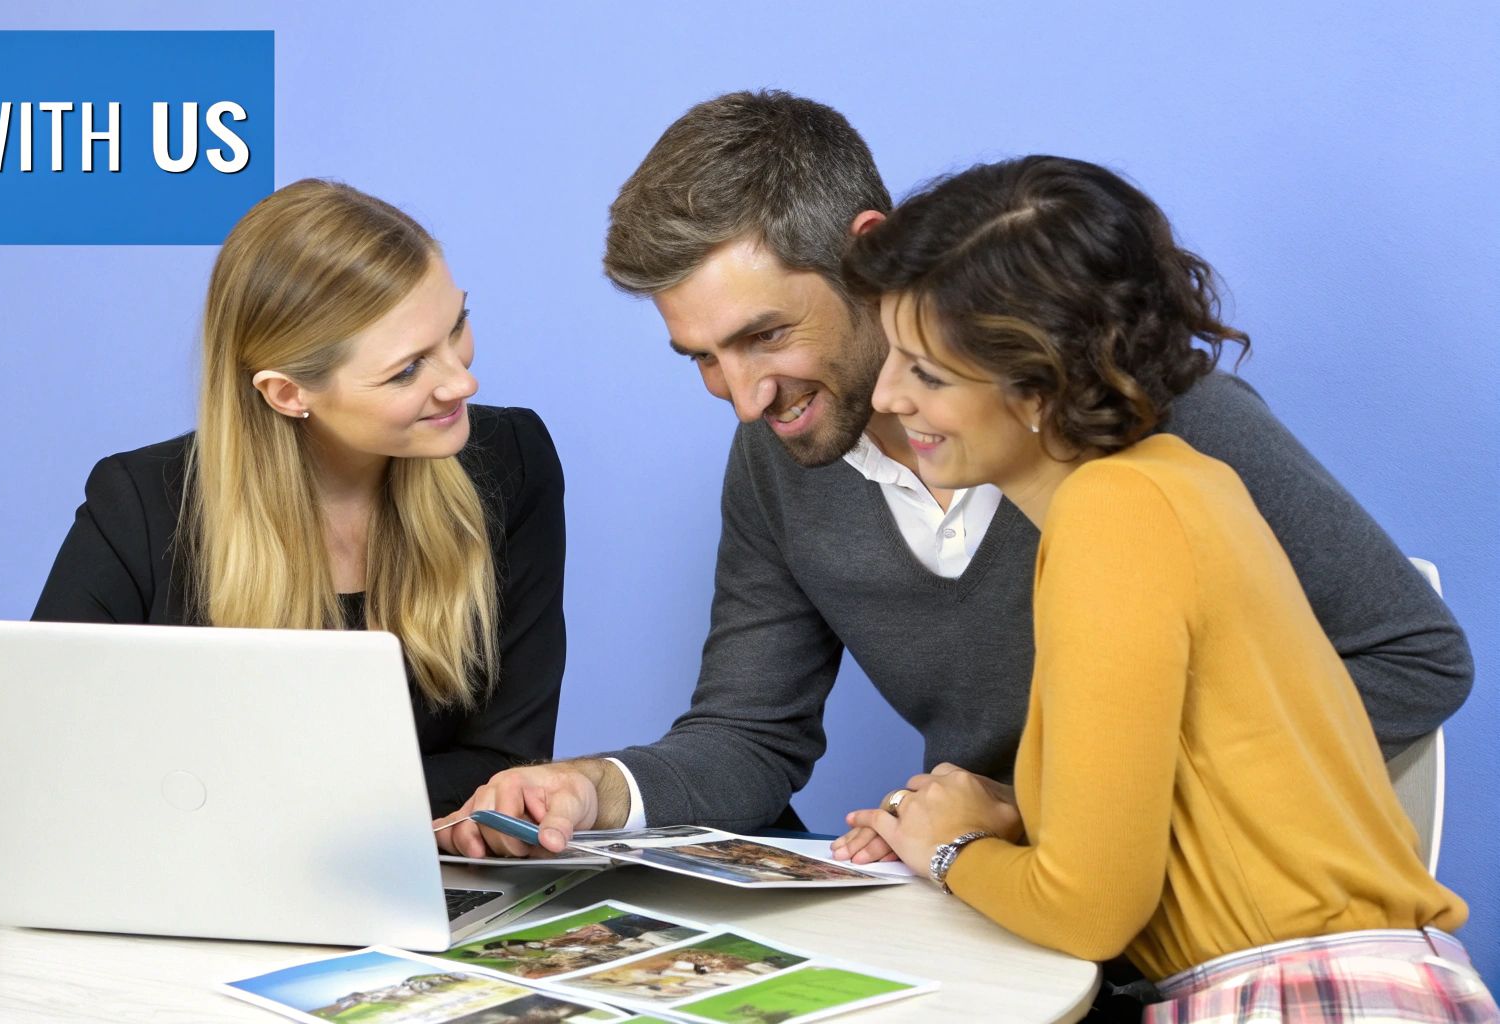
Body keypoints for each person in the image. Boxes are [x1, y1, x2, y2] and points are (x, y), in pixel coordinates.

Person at [434, 90, 1470, 860]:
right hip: (987, 911)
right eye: (701, 358)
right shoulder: (775, 460)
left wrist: (1042, 807)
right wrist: (593, 789)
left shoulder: (1146, 414)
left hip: (1160, 925)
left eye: (764, 336)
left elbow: (1414, 660)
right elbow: (750, 734)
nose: (743, 397)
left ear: (867, 254)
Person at [830, 153, 1493, 1020]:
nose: (886, 396)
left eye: (928, 373)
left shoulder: (1111, 515)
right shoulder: (1173, 483)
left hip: (1297, 999)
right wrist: (1009, 813)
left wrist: (950, 851)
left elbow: (1090, 912)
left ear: (1041, 386)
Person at [0, 180, 566, 895]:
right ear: (287, 392)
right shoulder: (141, 508)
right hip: (190, 915)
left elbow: (506, 767)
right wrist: (374, 807)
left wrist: (223, 807)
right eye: (406, 369)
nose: (462, 382)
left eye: (457, 326)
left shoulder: (511, 463)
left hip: (392, 905)